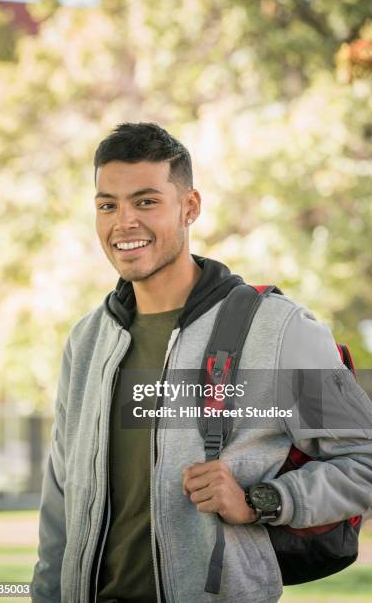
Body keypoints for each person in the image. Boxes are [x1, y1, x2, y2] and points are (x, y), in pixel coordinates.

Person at [31, 122, 372, 603]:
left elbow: (363, 460)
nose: (123, 222)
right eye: (108, 205)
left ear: (190, 207)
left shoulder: (278, 330)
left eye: (146, 202)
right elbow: (60, 504)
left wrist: (262, 502)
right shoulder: (88, 340)